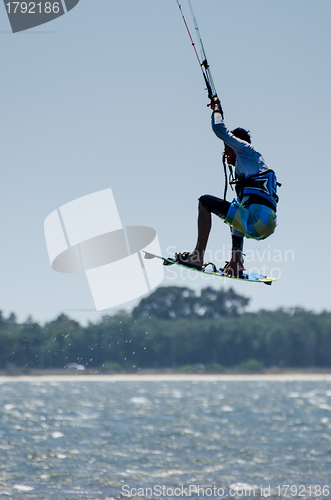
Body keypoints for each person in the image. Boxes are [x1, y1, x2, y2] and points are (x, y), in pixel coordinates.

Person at [175, 96, 279, 278]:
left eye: (227, 148)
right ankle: (237, 263)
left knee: (204, 202)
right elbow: (236, 219)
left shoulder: (247, 151)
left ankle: (197, 256)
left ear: (235, 145)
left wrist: (216, 109)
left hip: (259, 218)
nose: (225, 153)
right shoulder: (249, 169)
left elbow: (219, 129)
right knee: (235, 210)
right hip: (266, 223)